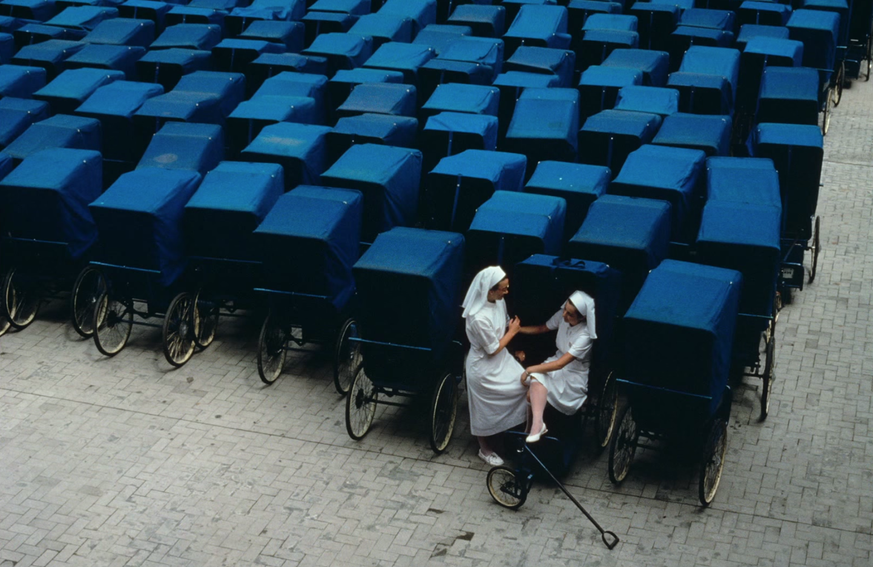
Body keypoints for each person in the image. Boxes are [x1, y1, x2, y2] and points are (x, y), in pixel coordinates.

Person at [463, 266, 529, 466]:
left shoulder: (498, 301)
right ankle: (484, 448)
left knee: (527, 384)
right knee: (483, 408)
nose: (507, 292)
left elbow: (503, 328)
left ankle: (516, 433)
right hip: (483, 367)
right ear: (490, 291)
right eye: (503, 289)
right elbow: (492, 349)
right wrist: (514, 331)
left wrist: (514, 343)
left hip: (502, 359)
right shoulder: (477, 317)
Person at [518, 291, 597, 443]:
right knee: (531, 391)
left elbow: (561, 364)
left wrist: (529, 370)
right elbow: (542, 328)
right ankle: (535, 427)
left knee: (535, 380)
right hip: (555, 362)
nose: (564, 315)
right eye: (565, 309)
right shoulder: (563, 315)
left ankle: (533, 427)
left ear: (582, 317)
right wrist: (518, 330)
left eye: (569, 314)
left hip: (573, 374)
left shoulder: (585, 336)